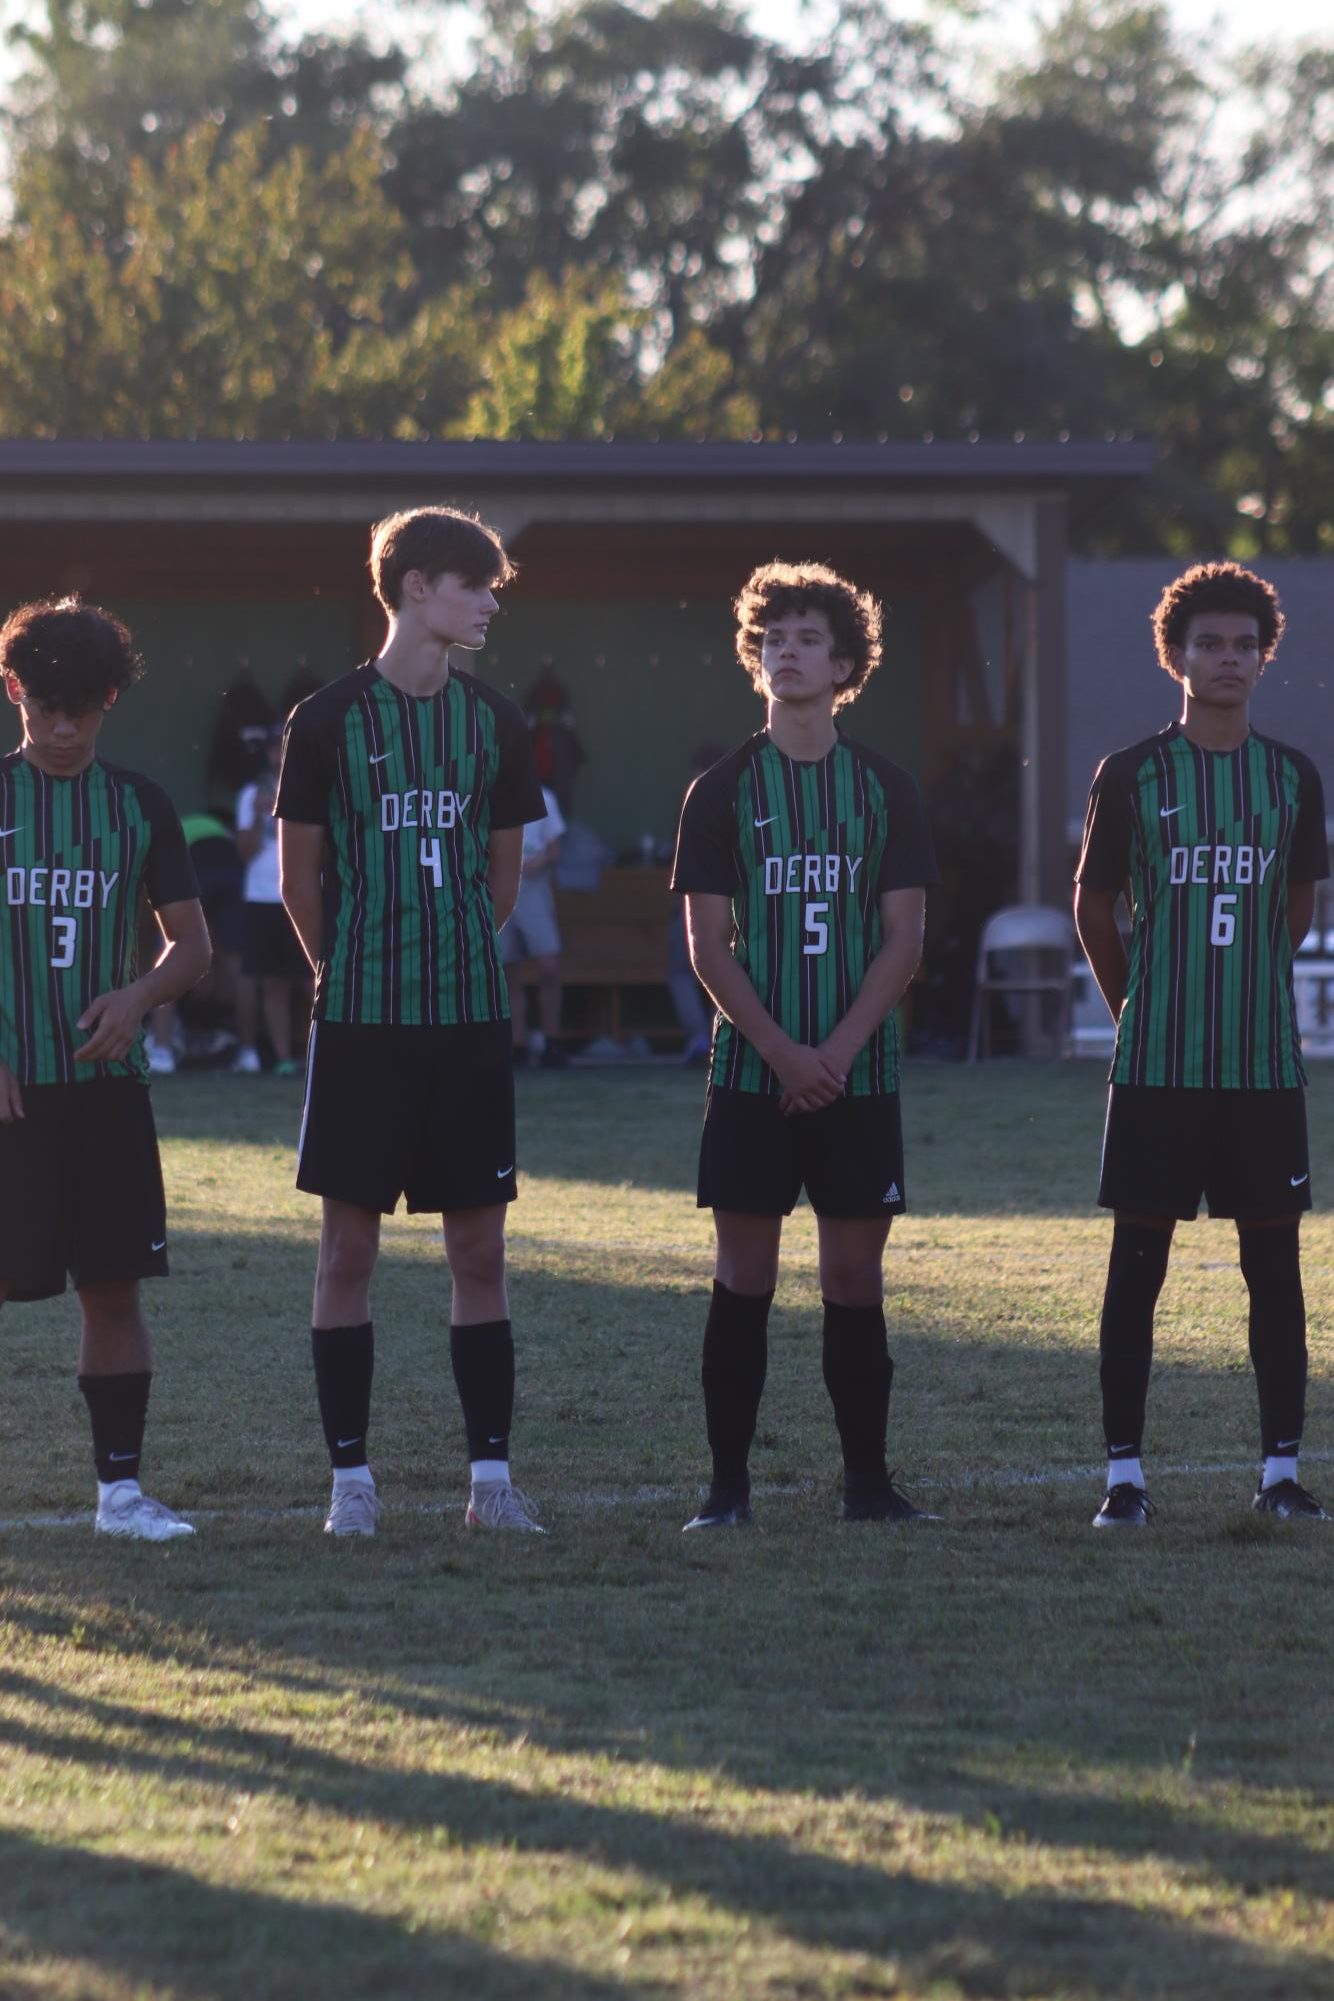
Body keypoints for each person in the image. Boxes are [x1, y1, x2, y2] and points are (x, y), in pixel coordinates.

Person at [276, 506, 549, 1538]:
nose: (488, 604)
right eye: (475, 586)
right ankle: (351, 1485)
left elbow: (502, 879)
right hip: (360, 1024)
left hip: (466, 1023)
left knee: (478, 1253)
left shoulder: (496, 722)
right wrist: (351, 971)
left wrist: (445, 961)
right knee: (346, 1253)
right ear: (419, 586)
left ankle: (490, 1482)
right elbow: (301, 885)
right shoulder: (328, 719)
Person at [671, 560, 938, 1531]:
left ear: (844, 661)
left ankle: (866, 1485)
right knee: (744, 1277)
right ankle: (725, 1489)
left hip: (856, 1076)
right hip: (752, 1073)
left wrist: (833, 1052)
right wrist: (785, 1053)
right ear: (754, 658)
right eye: (772, 637)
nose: (787, 652)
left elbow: (902, 938)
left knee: (852, 1280)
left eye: (807, 637)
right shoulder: (719, 790)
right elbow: (706, 945)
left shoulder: (884, 788)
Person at [1075, 561, 1329, 1528]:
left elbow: (1297, 912)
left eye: (1243, 644)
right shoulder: (1133, 773)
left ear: (1265, 657)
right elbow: (1093, 905)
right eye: (1209, 643)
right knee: (1137, 1266)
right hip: (1157, 1066)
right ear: (1175, 656)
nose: (1228, 658)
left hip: (1261, 1067)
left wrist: (1241, 992)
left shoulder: (1292, 776)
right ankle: (1125, 1479)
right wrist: (1134, 1000)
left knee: (1276, 1267)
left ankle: (1278, 1475)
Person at [0, 598, 211, 1539]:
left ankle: (120, 1495)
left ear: (110, 699)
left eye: (81, 706)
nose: (61, 724)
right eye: (45, 703)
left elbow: (192, 949)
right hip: (9, 1091)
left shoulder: (138, 804)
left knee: (113, 1288)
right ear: (14, 690)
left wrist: (137, 998)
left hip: (105, 1095)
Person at [233, 725, 311, 1077]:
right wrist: (262, 814)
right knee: (272, 982)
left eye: (286, 748)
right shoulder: (251, 794)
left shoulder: (314, 786)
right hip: (262, 897)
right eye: (275, 749)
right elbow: (244, 852)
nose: (280, 756)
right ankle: (281, 1057)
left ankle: (314, 1056)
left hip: (307, 893)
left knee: (312, 981)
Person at [500, 783, 567, 1068]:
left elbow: (555, 848)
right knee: (508, 969)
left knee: (548, 966)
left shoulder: (544, 797)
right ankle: (518, 1043)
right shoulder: (492, 791)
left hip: (534, 890)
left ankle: (552, 1040)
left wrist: (539, 862)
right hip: (501, 886)